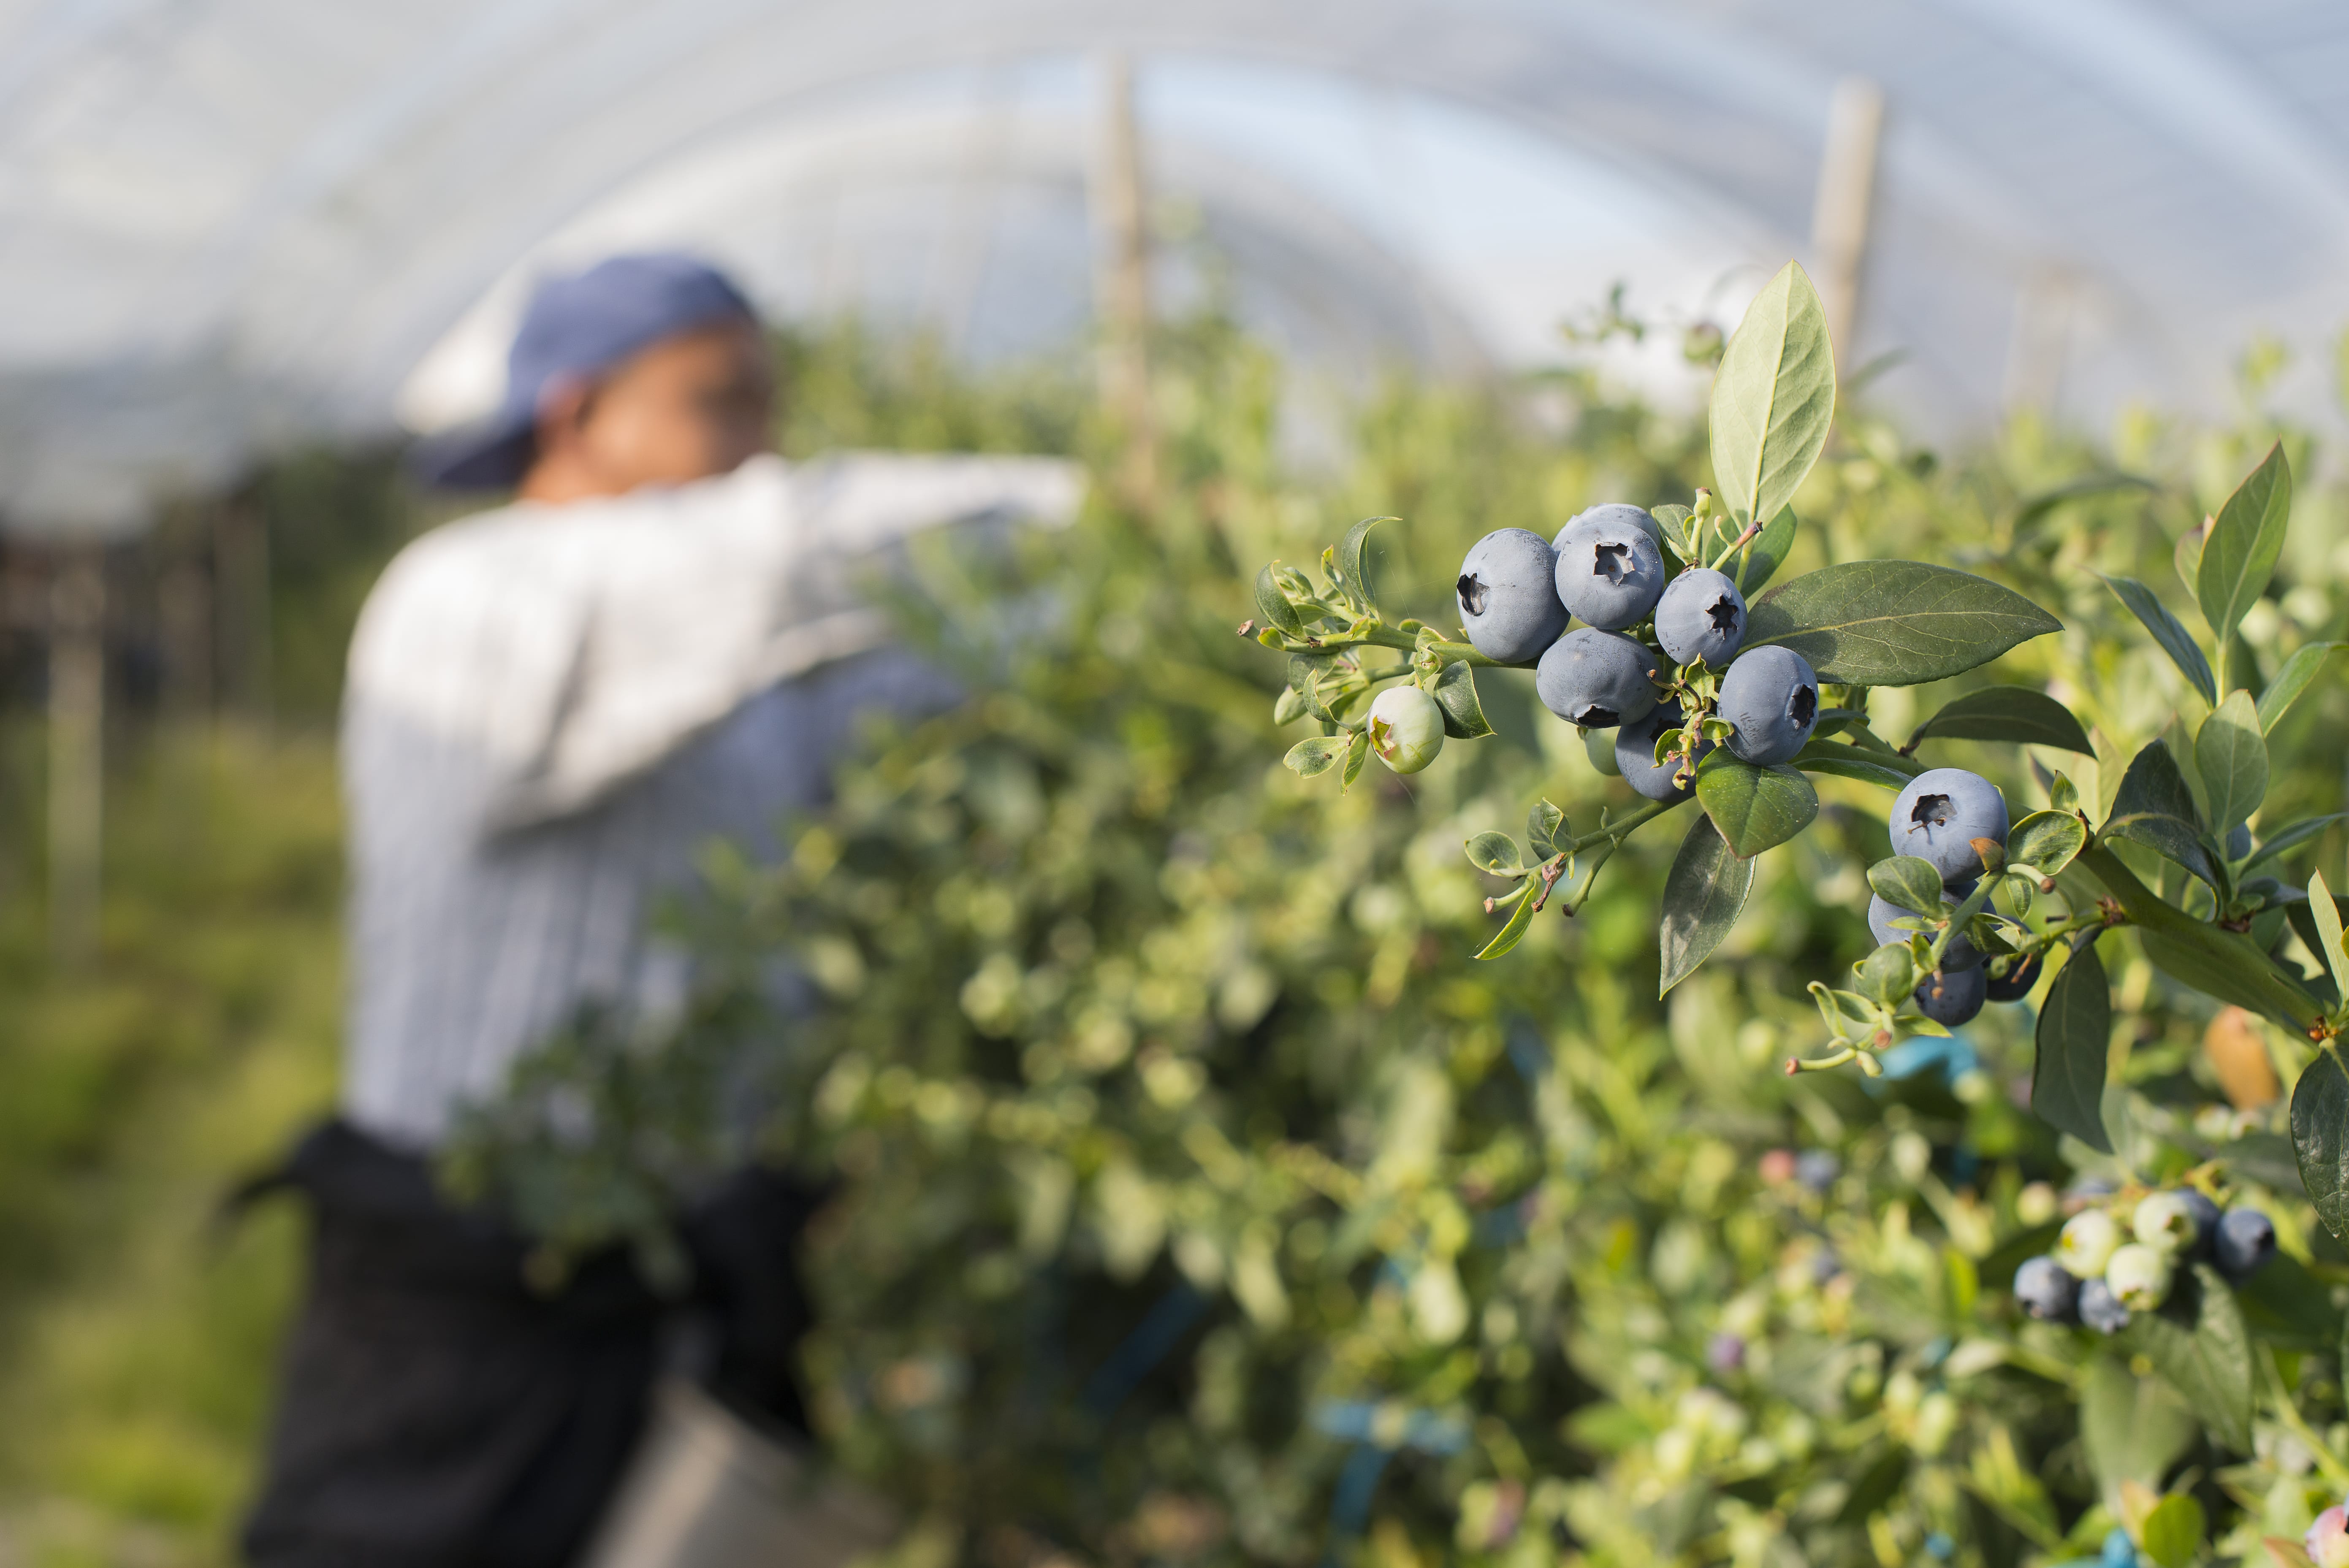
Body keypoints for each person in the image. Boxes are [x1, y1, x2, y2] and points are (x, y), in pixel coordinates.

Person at [239, 254, 1080, 1568]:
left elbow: (945, 647)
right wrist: (1126, 508)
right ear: (577, 415)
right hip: (466, 1283)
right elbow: (786, 554)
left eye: (767, 406)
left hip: (676, 1272)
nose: (760, 450)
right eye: (720, 400)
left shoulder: (733, 676)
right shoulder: (480, 596)